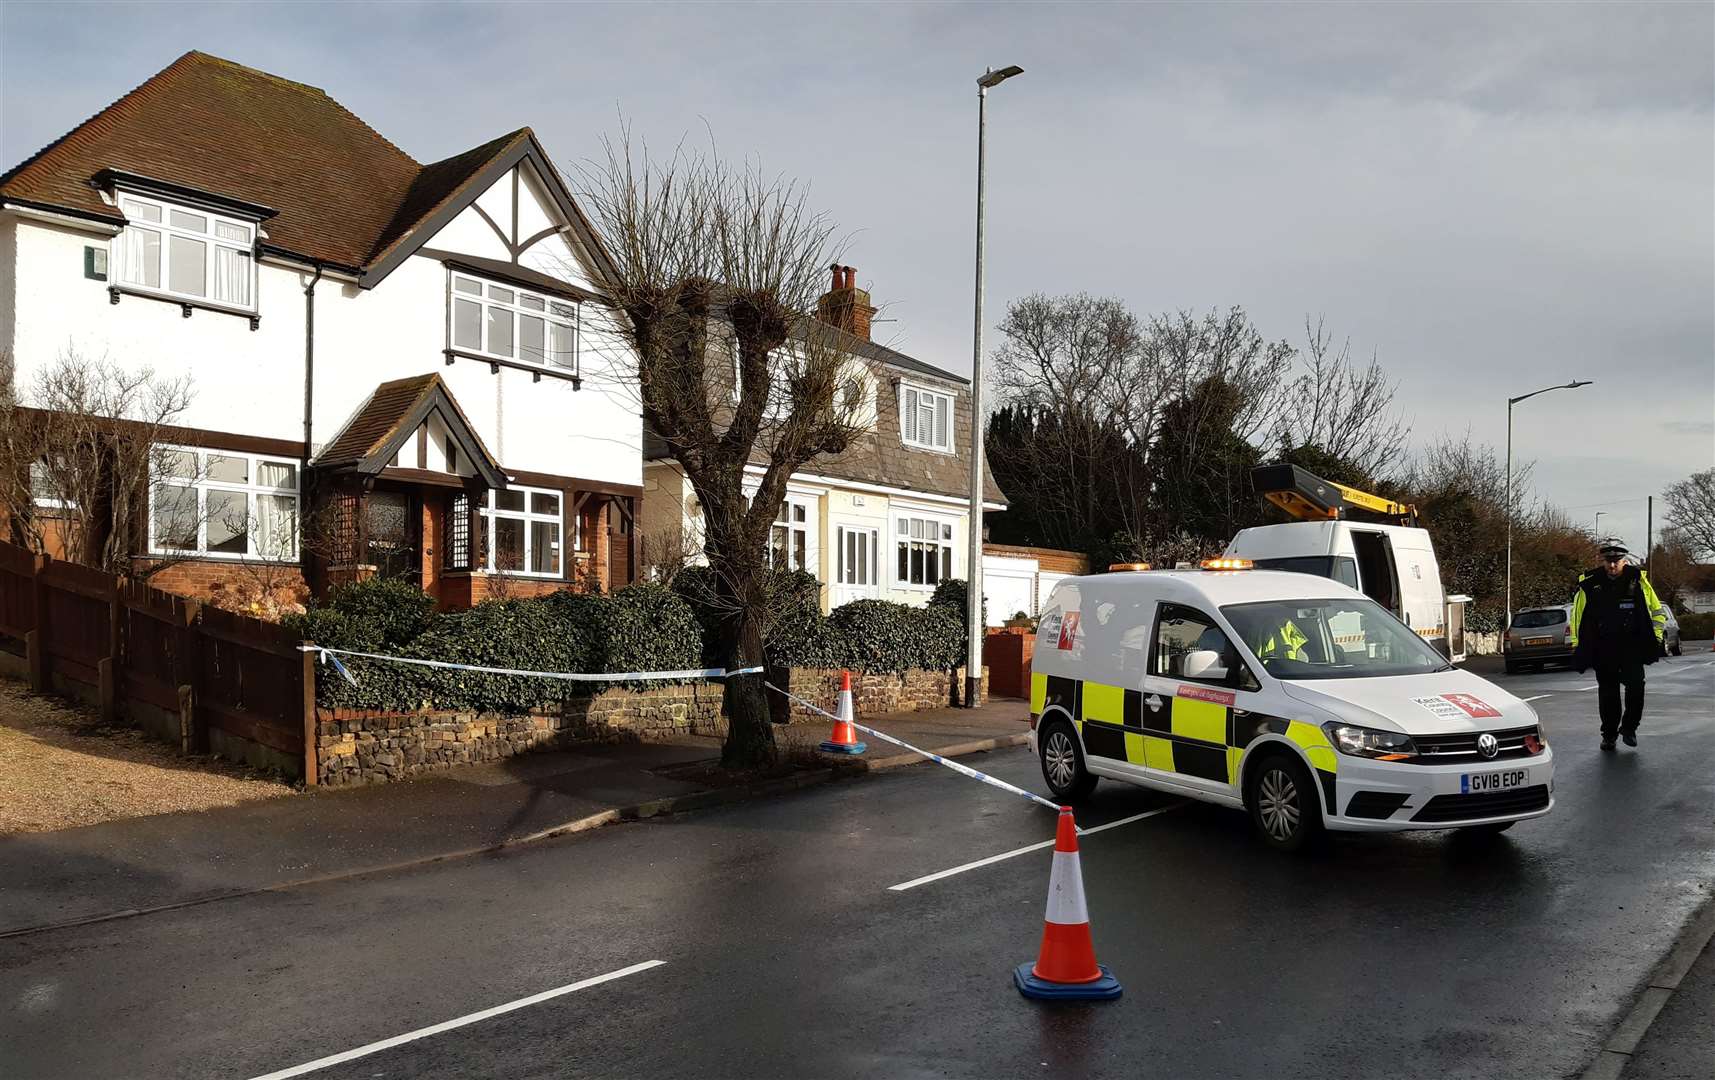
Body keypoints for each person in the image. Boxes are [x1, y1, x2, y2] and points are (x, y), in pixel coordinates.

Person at [1570, 541, 1666, 750]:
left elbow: (1657, 613)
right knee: (1608, 694)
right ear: (1602, 561)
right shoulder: (1590, 584)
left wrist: (1656, 638)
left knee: (1636, 687)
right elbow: (1578, 616)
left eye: (1617, 561)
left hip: (1632, 647)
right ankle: (1609, 735)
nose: (1612, 566)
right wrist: (1578, 644)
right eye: (1608, 561)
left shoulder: (1637, 581)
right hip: (1603, 648)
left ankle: (1629, 728)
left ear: (1624, 561)